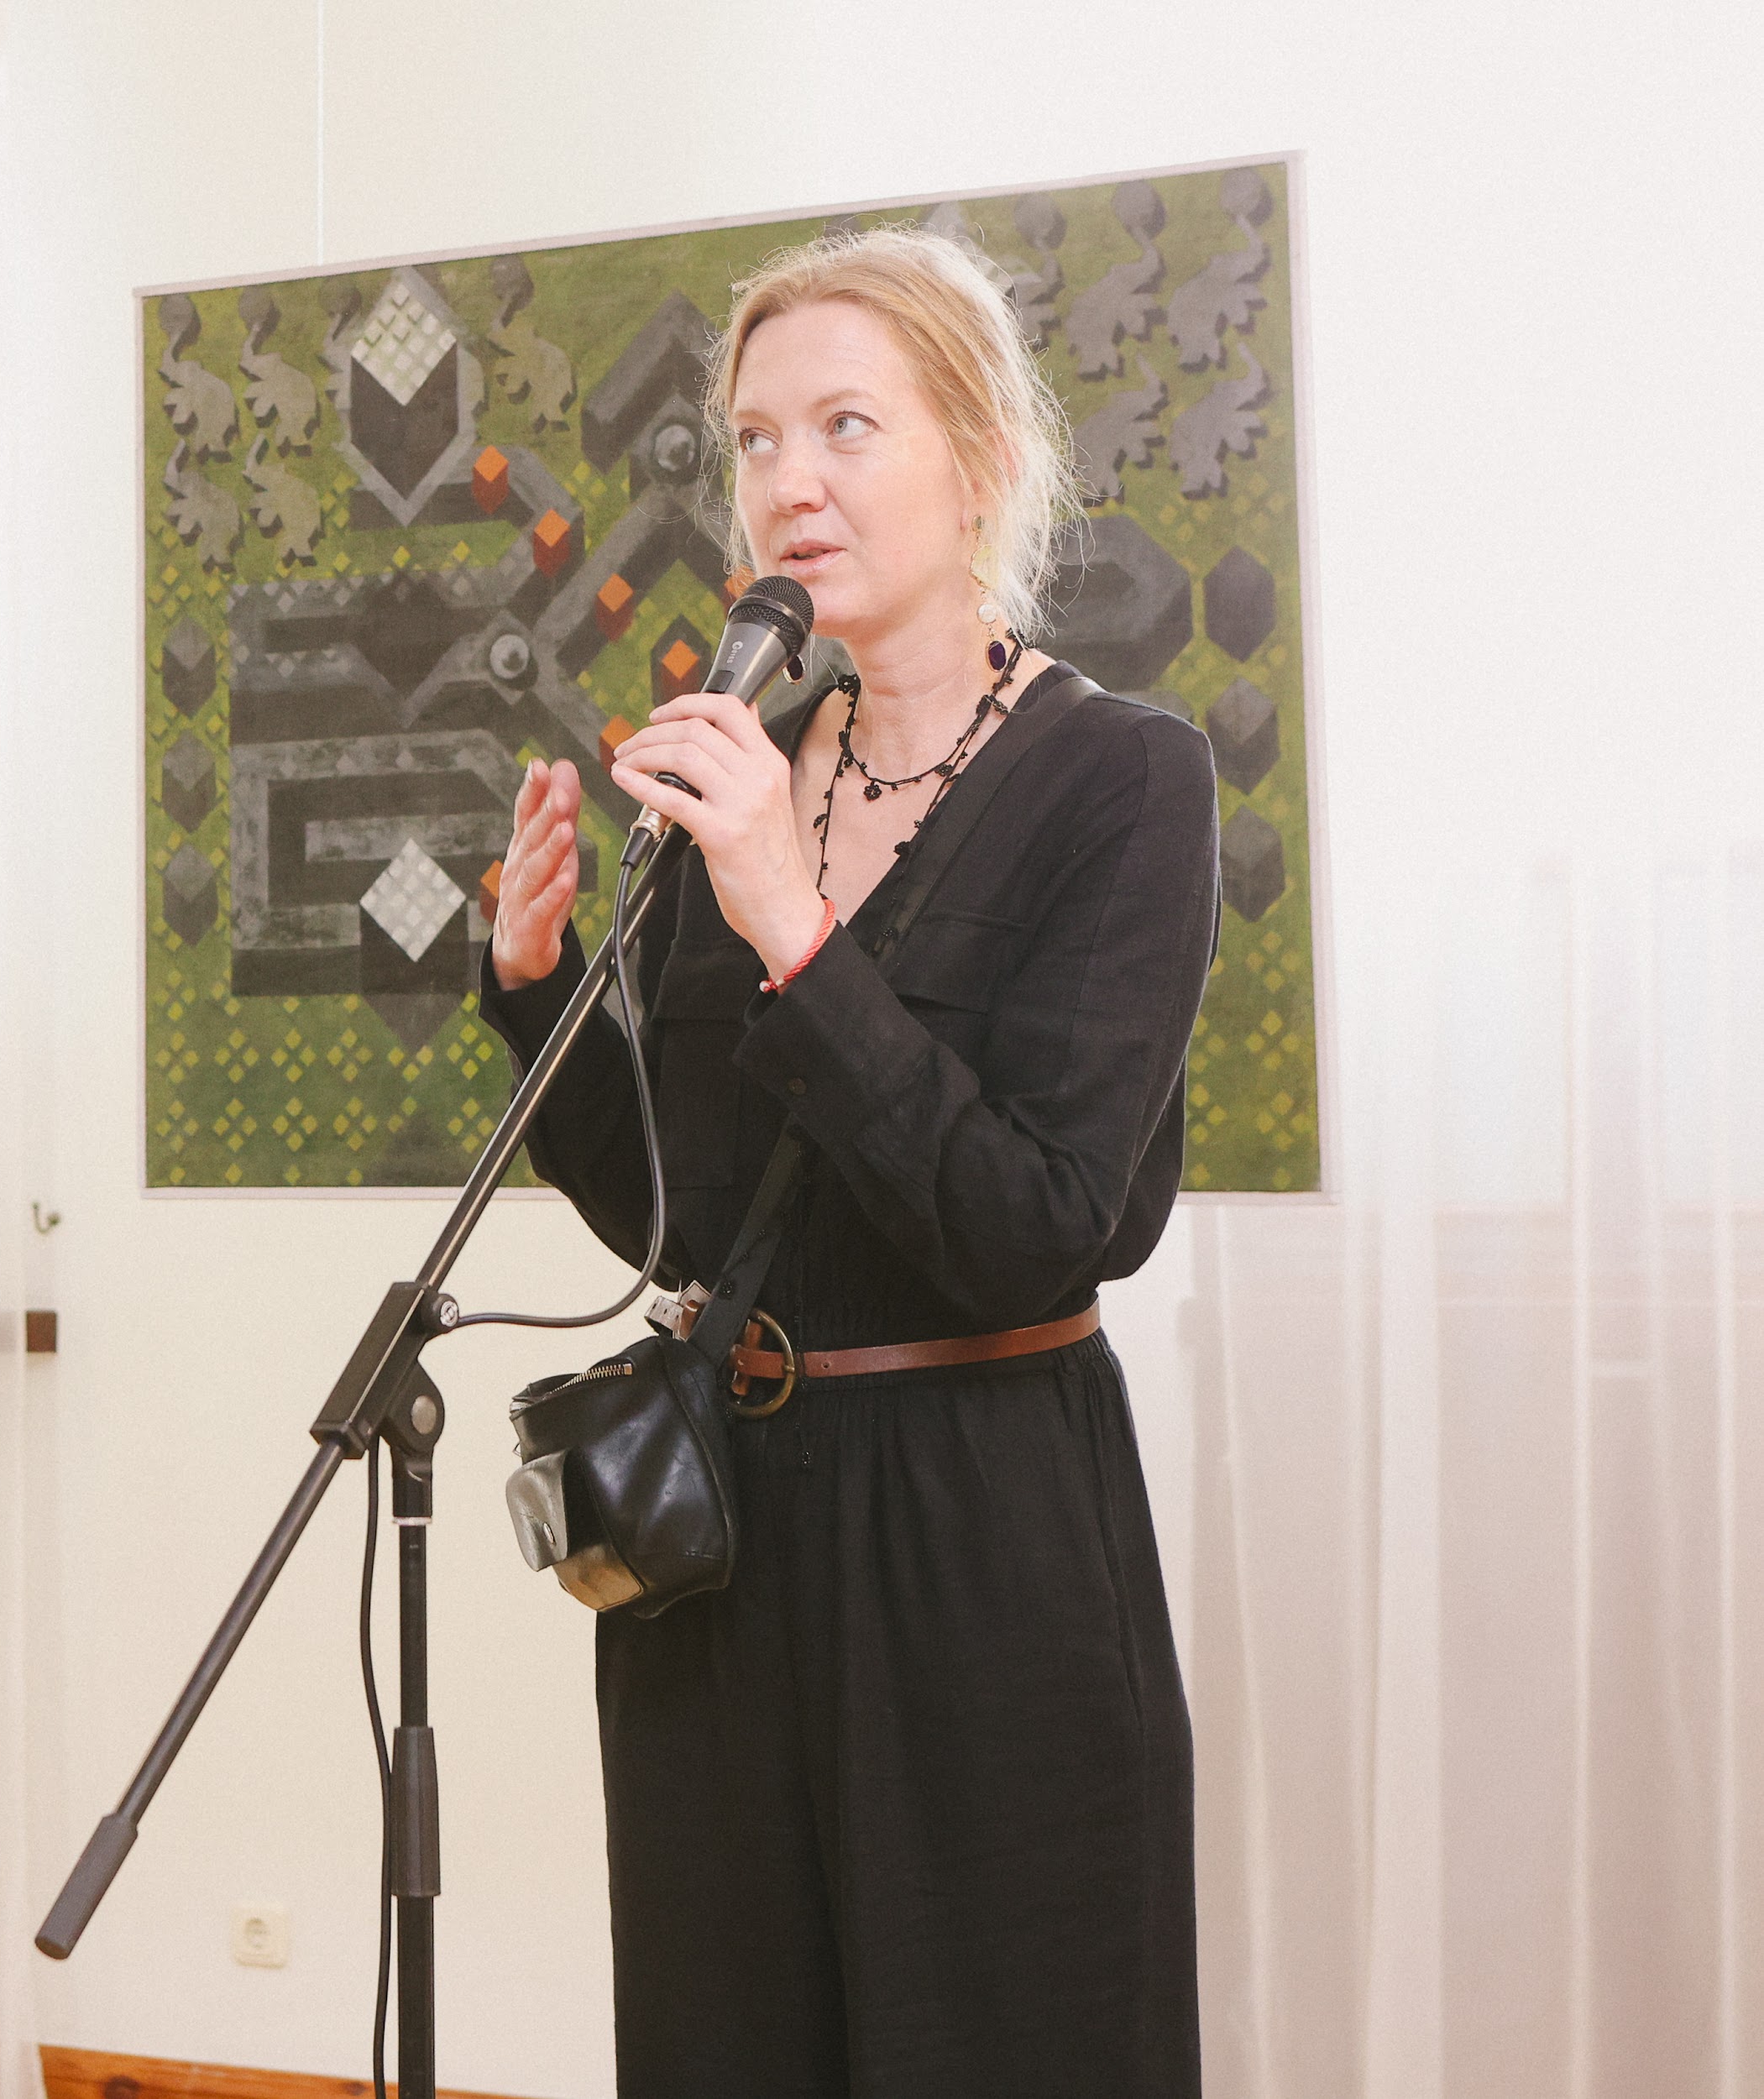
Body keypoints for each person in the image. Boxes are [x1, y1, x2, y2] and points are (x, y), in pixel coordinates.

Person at [479, 224, 1220, 2099]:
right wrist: (535, 983)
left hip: (980, 1530)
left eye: (845, 425)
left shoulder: (1123, 782)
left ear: (979, 460)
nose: (786, 482)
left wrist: (793, 923)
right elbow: (677, 1215)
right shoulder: (736, 773)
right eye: (753, 439)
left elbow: (1035, 1224)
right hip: (715, 1550)